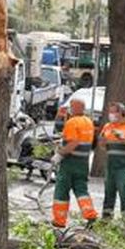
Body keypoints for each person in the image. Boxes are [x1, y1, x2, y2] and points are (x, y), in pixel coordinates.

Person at [52, 97, 98, 229]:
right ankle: (90, 215)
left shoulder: (72, 122)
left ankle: (59, 221)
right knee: (81, 190)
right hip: (83, 163)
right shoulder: (88, 122)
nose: (69, 109)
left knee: (61, 191)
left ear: (76, 107)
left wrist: (59, 154)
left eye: (71, 106)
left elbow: (73, 142)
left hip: (69, 163)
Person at [98, 101, 125, 221]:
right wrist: (102, 142)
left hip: (124, 165)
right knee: (109, 192)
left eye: (113, 112)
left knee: (124, 191)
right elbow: (102, 145)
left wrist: (122, 138)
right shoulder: (108, 126)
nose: (110, 115)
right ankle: (106, 219)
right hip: (111, 164)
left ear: (121, 113)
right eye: (110, 112)